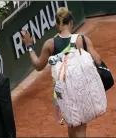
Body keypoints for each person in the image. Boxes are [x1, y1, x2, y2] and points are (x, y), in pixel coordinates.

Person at [21, 7, 102, 137]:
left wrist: (29, 46)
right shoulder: (82, 39)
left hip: (63, 91)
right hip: (81, 86)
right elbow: (98, 60)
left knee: (72, 122)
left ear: (57, 24)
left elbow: (38, 65)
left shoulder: (50, 44)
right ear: (71, 23)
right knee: (81, 125)